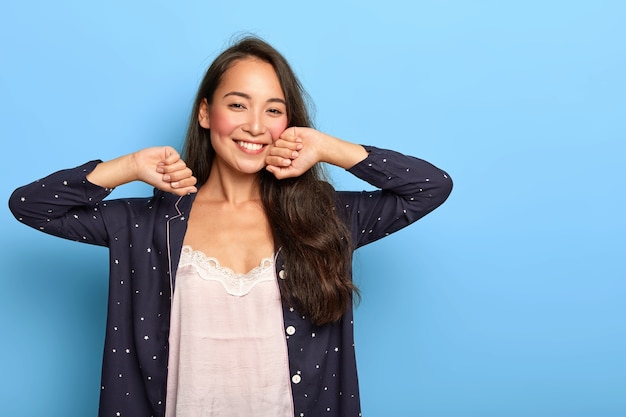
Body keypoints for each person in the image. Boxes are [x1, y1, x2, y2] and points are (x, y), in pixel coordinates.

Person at [9, 36, 453, 417]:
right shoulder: (147, 222)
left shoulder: (326, 215)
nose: (255, 126)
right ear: (206, 114)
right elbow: (31, 206)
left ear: (289, 123)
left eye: (274, 110)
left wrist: (328, 147)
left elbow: (430, 187)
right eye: (237, 104)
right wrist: (126, 166)